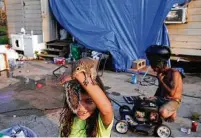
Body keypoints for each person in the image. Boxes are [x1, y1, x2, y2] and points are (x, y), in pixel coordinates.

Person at [58, 67, 114, 137]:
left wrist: (75, 73)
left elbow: (107, 110)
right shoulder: (69, 120)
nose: (80, 108)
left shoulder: (101, 124)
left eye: (89, 101)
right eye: (75, 100)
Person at [145, 45, 183, 122]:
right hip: (162, 98)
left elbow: (172, 93)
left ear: (160, 64)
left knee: (163, 113)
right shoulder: (162, 72)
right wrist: (154, 97)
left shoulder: (174, 73)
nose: (154, 70)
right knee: (145, 105)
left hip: (173, 100)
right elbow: (160, 88)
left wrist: (161, 80)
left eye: (155, 67)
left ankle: (173, 113)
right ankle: (161, 107)